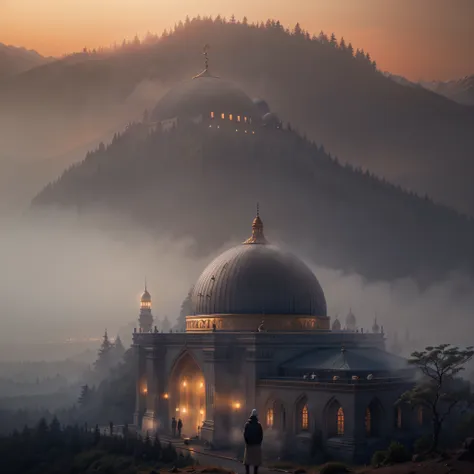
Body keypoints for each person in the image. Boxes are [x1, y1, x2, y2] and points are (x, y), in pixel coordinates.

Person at [243, 409, 263, 474]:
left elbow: (245, 435)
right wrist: (259, 443)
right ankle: (255, 472)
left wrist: (247, 442)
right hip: (256, 445)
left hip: (249, 445)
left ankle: (247, 472)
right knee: (256, 462)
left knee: (247, 462)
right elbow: (261, 435)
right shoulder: (259, 425)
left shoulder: (247, 424)